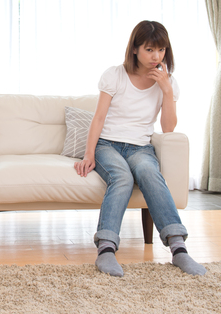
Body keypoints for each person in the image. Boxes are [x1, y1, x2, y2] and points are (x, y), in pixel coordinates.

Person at [74, 20, 206, 277]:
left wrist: (166, 91)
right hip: (107, 145)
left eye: (161, 50)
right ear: (135, 49)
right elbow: (98, 118)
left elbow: (168, 128)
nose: (156, 56)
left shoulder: (169, 82)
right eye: (149, 49)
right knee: (122, 177)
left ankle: (179, 249)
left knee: (149, 173)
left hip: (141, 148)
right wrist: (89, 153)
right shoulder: (115, 75)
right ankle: (106, 250)